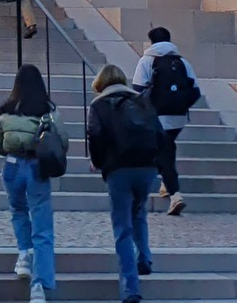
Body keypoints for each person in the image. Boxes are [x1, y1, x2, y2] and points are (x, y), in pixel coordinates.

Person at [0, 64, 61, 303]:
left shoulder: (5, 110)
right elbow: (62, 142)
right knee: (43, 228)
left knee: (18, 210)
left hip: (12, 166)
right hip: (38, 167)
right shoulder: (48, 111)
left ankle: (24, 253)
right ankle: (38, 286)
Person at [88, 63, 163, 303]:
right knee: (138, 211)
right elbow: (159, 134)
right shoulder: (142, 100)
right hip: (147, 167)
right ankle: (145, 256)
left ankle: (131, 288)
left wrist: (99, 164)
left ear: (101, 83)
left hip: (118, 169)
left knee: (122, 227)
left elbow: (96, 138)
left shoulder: (99, 105)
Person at [133, 26, 200, 216]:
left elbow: (137, 89)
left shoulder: (147, 60)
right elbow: (195, 90)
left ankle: (175, 194)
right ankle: (166, 184)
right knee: (166, 148)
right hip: (178, 117)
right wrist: (182, 104)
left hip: (157, 115)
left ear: (151, 41)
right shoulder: (182, 62)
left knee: (163, 153)